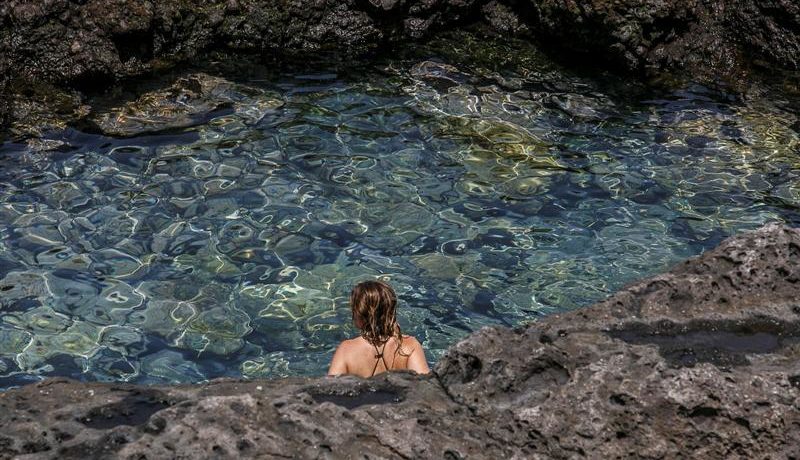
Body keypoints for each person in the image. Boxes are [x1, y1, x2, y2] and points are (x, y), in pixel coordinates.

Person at [328, 280, 430, 377]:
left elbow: (329, 390)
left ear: (359, 313)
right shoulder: (410, 346)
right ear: (391, 311)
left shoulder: (346, 350)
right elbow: (425, 388)